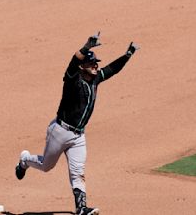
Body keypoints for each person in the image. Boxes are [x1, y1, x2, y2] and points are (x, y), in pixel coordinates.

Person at [15, 32, 140, 215]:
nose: (96, 66)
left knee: (78, 172)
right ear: (82, 67)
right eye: (91, 63)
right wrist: (87, 46)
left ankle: (81, 208)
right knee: (46, 166)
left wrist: (128, 54)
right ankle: (25, 160)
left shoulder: (95, 79)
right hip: (60, 131)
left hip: (78, 136)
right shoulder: (72, 80)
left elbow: (112, 69)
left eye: (96, 63)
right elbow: (73, 62)